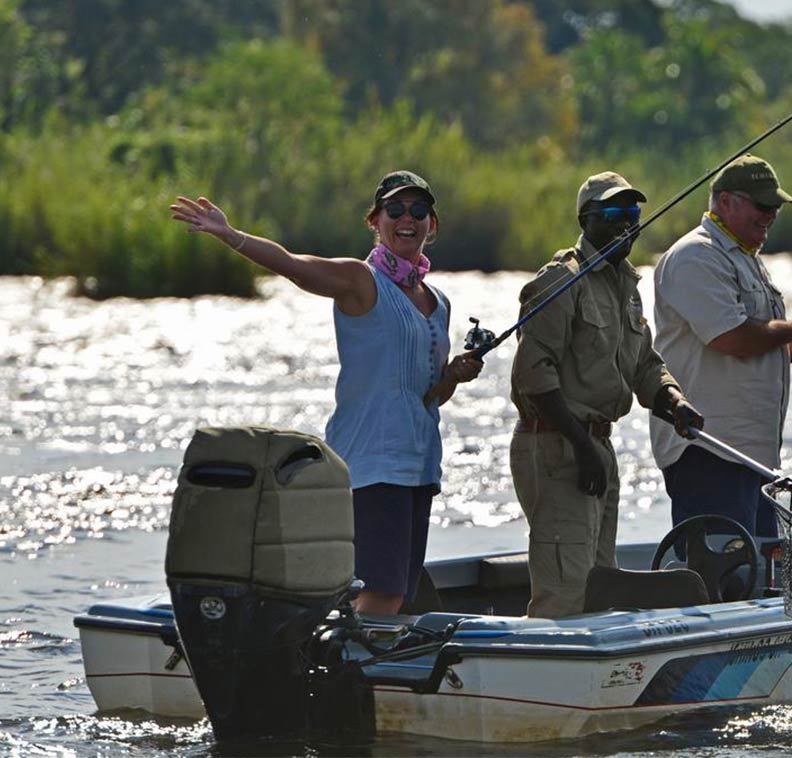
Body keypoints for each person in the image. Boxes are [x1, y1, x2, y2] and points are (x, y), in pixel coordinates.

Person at [169, 170, 483, 615]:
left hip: (420, 465)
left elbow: (428, 395)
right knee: (384, 592)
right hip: (373, 463)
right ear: (375, 221)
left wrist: (453, 375)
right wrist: (230, 235)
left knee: (398, 594)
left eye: (418, 210)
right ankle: (333, 675)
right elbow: (295, 266)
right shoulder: (360, 280)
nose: (407, 218)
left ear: (433, 224)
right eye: (394, 209)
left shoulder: (438, 302)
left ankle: (347, 663)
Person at [509, 171, 704, 619]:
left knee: (600, 582)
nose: (625, 224)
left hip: (598, 446)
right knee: (566, 588)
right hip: (557, 446)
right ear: (585, 219)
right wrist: (581, 446)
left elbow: (644, 365)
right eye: (613, 213)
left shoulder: (626, 287)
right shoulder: (560, 280)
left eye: (633, 214)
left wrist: (673, 401)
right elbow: (533, 377)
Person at [650, 155, 792, 539]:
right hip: (709, 453)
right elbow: (731, 338)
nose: (771, 215)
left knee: (756, 579)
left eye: (775, 207)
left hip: (753, 458)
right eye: (762, 206)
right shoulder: (696, 257)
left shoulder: (743, 258)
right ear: (725, 201)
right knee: (721, 580)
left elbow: (749, 345)